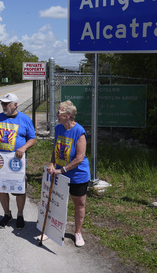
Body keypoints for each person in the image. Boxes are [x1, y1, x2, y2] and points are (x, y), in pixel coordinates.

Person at [0, 93, 36, 229]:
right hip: (0, 160)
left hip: (16, 162)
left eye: (6, 104)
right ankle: (7, 214)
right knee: (2, 189)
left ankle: (20, 214)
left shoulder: (24, 119)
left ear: (15, 105)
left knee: (19, 189)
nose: (3, 106)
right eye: (2, 103)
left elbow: (32, 139)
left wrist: (24, 147)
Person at [46, 100, 90, 247]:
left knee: (79, 204)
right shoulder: (59, 128)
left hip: (77, 175)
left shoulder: (79, 131)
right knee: (57, 203)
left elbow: (79, 158)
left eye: (59, 112)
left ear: (68, 115)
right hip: (60, 173)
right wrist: (52, 164)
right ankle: (53, 230)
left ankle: (78, 232)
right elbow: (55, 149)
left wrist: (61, 170)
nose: (56, 115)